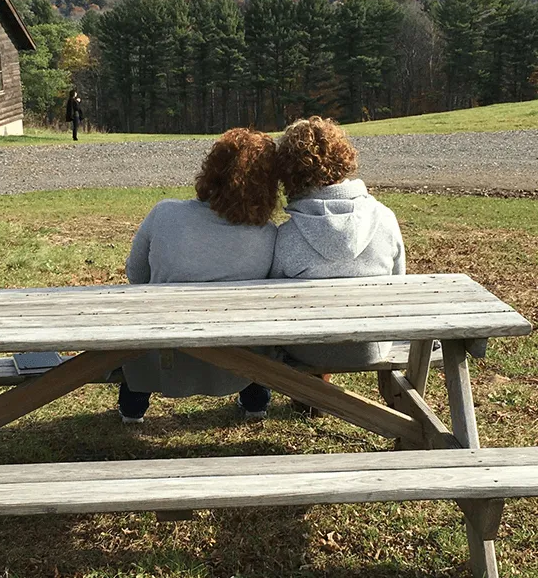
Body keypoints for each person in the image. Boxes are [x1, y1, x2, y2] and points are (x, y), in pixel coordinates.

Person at [119, 128, 279, 423]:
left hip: (163, 360)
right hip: (243, 365)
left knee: (141, 324)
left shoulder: (165, 214)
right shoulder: (268, 235)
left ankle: (132, 409)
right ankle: (256, 404)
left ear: (211, 169)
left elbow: (135, 275)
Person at [271, 116, 406, 391]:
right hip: (374, 345)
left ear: (288, 173)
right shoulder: (385, 219)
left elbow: (272, 301)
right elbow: (399, 281)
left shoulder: (287, 236)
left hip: (305, 349)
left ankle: (313, 390)